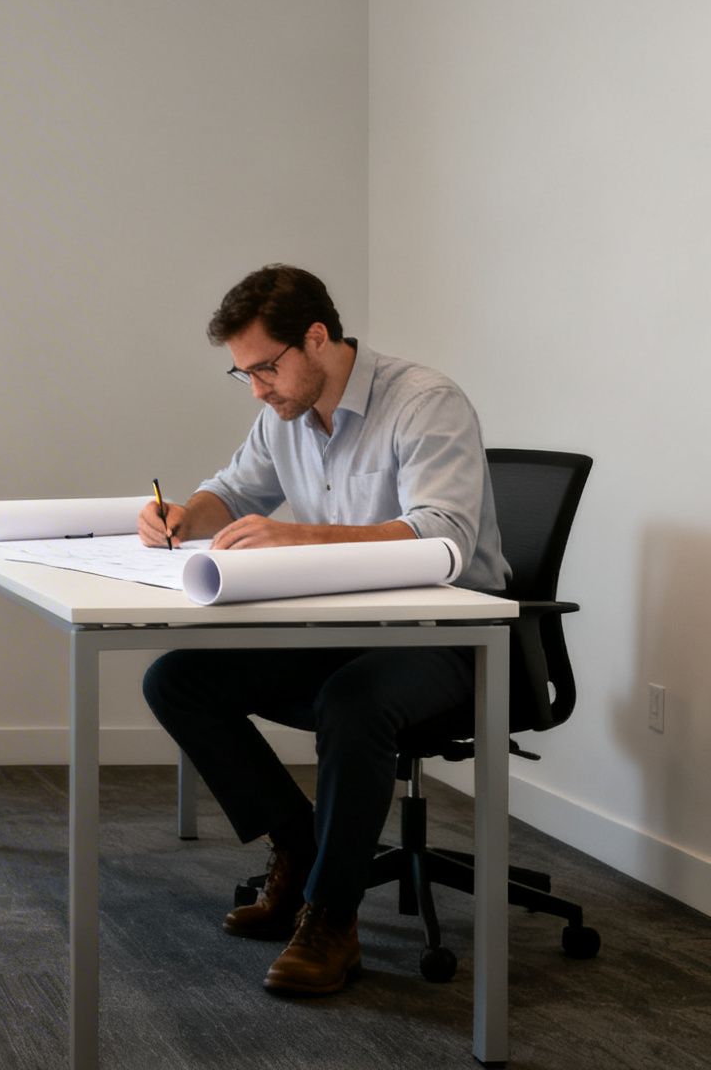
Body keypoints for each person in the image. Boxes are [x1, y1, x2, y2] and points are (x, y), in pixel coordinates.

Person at [138, 263, 508, 997]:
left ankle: (332, 917)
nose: (257, 388)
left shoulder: (424, 403)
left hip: (451, 633)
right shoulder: (283, 414)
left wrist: (304, 538)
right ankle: (299, 844)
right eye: (242, 374)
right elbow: (234, 489)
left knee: (353, 699)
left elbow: (443, 534)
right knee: (178, 677)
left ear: (317, 338)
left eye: (266, 368)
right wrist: (182, 514)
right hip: (349, 628)